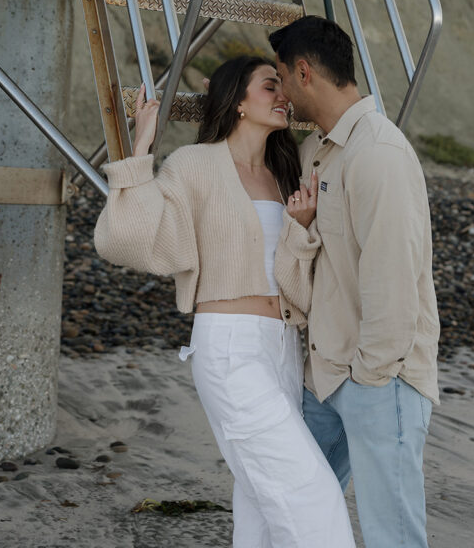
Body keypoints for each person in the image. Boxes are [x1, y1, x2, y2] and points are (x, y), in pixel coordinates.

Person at [93, 55, 356, 548]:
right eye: (268, 87)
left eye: (282, 87)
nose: (282, 97)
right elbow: (124, 238)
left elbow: (300, 289)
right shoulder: (195, 165)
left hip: (283, 347)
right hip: (229, 349)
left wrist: (299, 232)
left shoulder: (286, 171)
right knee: (310, 489)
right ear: (237, 100)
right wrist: (142, 145)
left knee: (260, 498)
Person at [270, 17, 440, 548]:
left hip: (376, 379)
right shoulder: (314, 153)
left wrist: (371, 380)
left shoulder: (379, 155)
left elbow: (393, 286)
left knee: (392, 536)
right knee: (298, 509)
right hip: (326, 376)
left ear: (304, 73)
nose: (282, 93)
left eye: (281, 79)